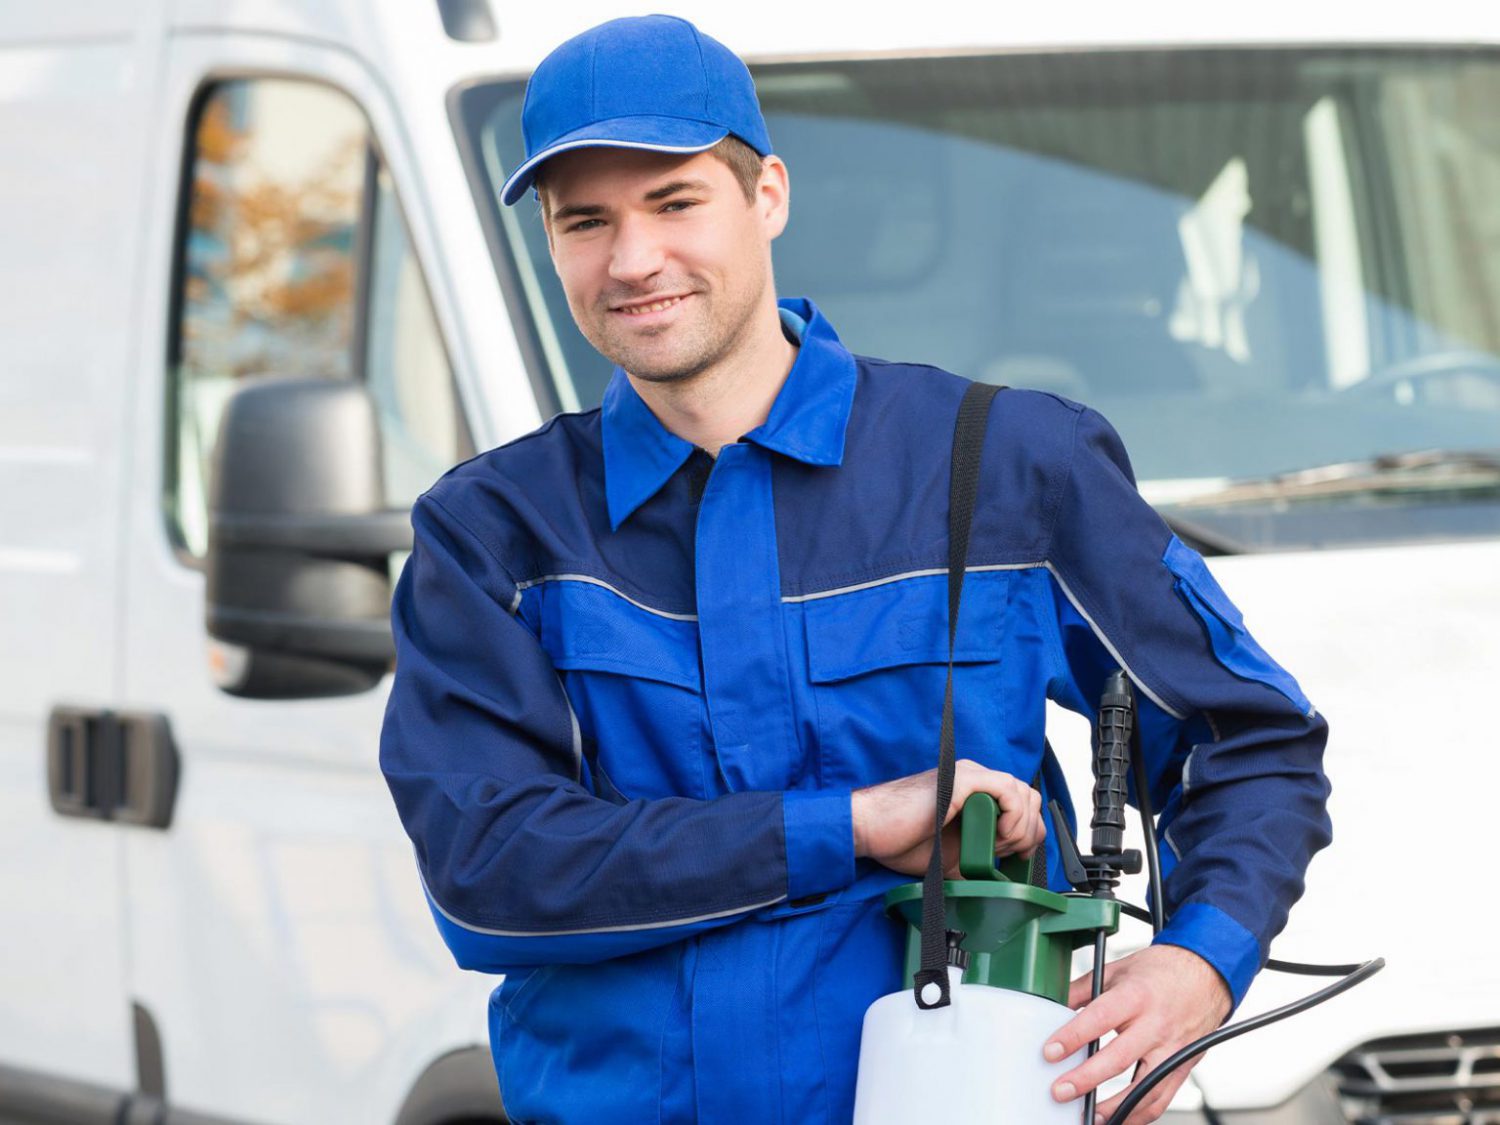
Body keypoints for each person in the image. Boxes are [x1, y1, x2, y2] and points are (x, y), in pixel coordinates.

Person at [378, 14, 1331, 1124]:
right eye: (585, 221)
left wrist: (1198, 964)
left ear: (768, 195)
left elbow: (1249, 740)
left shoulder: (1003, 468)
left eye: (675, 202)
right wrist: (857, 825)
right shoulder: (496, 533)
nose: (632, 260)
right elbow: (487, 874)